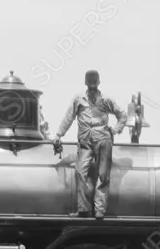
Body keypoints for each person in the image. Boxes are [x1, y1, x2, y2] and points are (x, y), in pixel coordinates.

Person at [53, 70, 127, 219]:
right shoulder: (78, 100)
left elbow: (122, 115)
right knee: (79, 172)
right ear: (86, 84)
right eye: (90, 85)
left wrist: (115, 130)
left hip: (103, 141)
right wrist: (59, 135)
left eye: (95, 85)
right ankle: (84, 209)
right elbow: (69, 118)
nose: (92, 88)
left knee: (103, 175)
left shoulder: (106, 100)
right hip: (85, 143)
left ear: (99, 83)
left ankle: (99, 209)